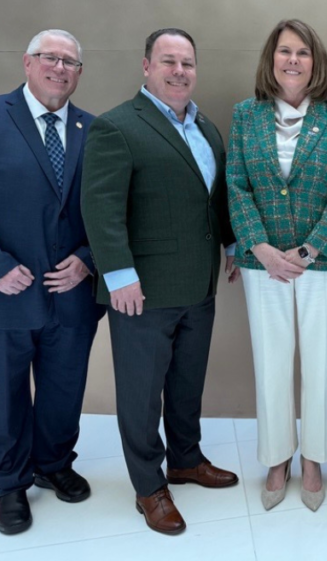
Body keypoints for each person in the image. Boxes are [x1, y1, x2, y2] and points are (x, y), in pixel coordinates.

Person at [0, 29, 105, 535]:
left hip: (69, 295)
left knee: (63, 389)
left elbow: (106, 210)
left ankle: (52, 465)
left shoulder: (92, 130)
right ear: (27, 63)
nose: (60, 67)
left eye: (71, 61)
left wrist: (87, 259)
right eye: (50, 57)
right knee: (2, 396)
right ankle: (8, 484)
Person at [80, 28, 240, 535]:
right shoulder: (117, 126)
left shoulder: (207, 129)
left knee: (187, 383)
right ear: (146, 66)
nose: (179, 71)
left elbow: (215, 200)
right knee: (142, 393)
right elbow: (101, 210)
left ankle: (186, 460)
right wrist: (119, 276)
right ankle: (148, 486)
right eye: (168, 61)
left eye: (188, 63)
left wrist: (233, 246)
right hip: (141, 292)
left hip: (198, 286)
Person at [226, 19, 327, 512]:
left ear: (315, 61)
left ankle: (314, 459)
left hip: (322, 264)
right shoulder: (246, 115)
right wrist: (258, 247)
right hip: (262, 265)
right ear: (271, 59)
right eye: (284, 51)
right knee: (272, 362)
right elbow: (236, 185)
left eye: (303, 52)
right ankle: (277, 457)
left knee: (320, 363)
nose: (293, 60)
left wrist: (308, 251)